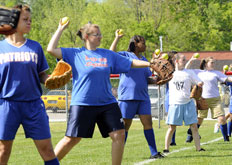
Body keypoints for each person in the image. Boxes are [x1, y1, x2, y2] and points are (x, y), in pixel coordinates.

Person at [47, 22, 152, 165]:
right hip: (83, 102)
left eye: (100, 34)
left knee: (119, 135)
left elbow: (130, 62)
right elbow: (51, 49)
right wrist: (60, 29)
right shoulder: (75, 53)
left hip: (107, 103)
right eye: (97, 34)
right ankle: (50, 163)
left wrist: (149, 64)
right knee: (72, 139)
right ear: (86, 36)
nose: (100, 37)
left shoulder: (107, 54)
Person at [0, 4, 59, 165]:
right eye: (25, 19)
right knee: (3, 151)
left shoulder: (35, 47)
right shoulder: (1, 48)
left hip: (33, 105)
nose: (29, 22)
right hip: (6, 104)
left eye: (30, 20)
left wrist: (52, 80)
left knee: (47, 150)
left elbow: (42, 75)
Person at [109, 29, 164, 159]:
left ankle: (154, 153)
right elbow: (110, 54)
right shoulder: (126, 55)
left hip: (143, 97)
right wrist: (117, 38)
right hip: (127, 97)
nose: (145, 45)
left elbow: (147, 79)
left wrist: (157, 80)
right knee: (125, 127)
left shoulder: (144, 60)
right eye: (142, 43)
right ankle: (119, 153)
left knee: (148, 124)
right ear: (135, 43)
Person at [185, 56, 232, 142]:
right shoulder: (199, 72)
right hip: (203, 99)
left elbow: (229, 78)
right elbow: (186, 69)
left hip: (215, 99)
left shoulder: (216, 73)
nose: (213, 64)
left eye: (213, 62)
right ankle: (190, 134)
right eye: (211, 62)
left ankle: (226, 138)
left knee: (222, 119)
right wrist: (191, 60)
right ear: (206, 64)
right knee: (199, 120)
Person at [163, 54, 205, 153]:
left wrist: (199, 84)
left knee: (194, 127)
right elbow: (158, 76)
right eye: (183, 60)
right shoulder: (170, 73)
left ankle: (199, 148)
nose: (185, 61)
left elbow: (199, 81)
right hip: (175, 103)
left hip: (188, 102)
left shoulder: (189, 72)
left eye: (185, 60)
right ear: (176, 61)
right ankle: (166, 148)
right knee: (172, 127)